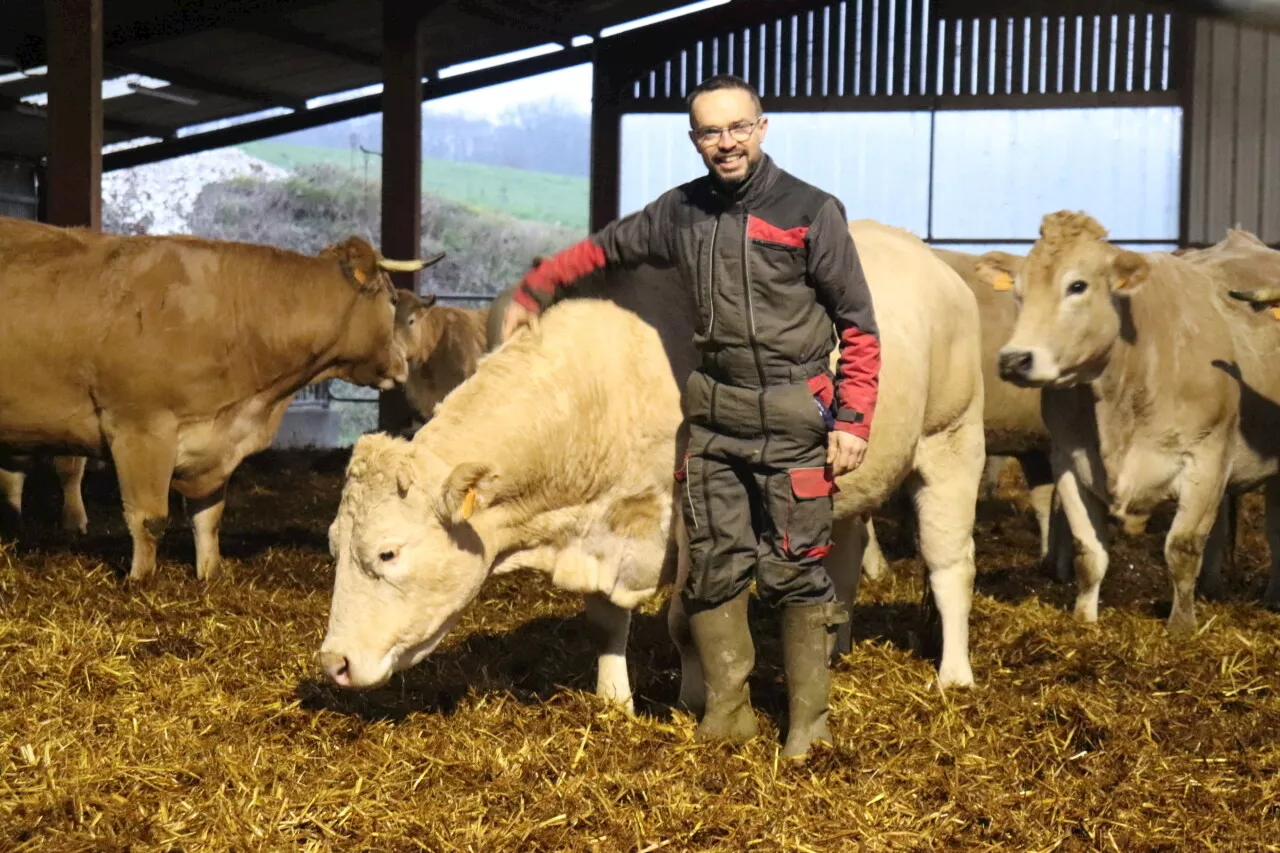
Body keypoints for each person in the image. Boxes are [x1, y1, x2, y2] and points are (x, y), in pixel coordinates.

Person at [500, 74, 880, 759]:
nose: (726, 142)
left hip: (795, 411)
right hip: (713, 415)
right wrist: (537, 286)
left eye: (738, 127)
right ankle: (727, 715)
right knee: (711, 565)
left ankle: (807, 725)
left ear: (762, 128)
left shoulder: (812, 211)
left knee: (795, 568)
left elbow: (858, 321)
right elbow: (607, 247)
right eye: (711, 131)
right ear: (695, 139)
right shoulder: (681, 211)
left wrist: (853, 417)